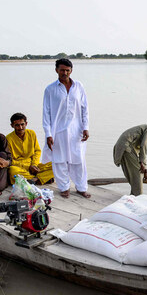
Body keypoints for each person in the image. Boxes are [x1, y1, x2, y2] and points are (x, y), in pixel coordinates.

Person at [42, 58, 90, 199]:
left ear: (71, 70)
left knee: (79, 159)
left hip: (77, 130)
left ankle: (81, 188)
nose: (65, 73)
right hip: (58, 131)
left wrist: (86, 127)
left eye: (67, 70)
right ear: (56, 70)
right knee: (59, 160)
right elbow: (46, 113)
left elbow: (85, 108)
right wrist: (48, 134)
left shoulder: (78, 86)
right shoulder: (50, 89)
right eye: (62, 70)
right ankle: (64, 188)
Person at [113, 120, 147, 195]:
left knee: (134, 175)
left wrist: (145, 170)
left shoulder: (143, 131)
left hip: (122, 148)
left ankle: (133, 196)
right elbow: (143, 146)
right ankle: (138, 196)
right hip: (126, 147)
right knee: (138, 172)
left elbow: (139, 151)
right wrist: (142, 164)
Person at [6, 112, 54, 185]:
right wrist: (28, 167)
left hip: (33, 165)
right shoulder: (8, 139)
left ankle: (33, 180)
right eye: (17, 125)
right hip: (19, 167)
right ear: (12, 125)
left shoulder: (31, 133)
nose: (20, 127)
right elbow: (10, 160)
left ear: (26, 123)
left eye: (22, 124)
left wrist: (34, 165)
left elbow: (37, 151)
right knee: (12, 170)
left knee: (56, 165)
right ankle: (39, 179)